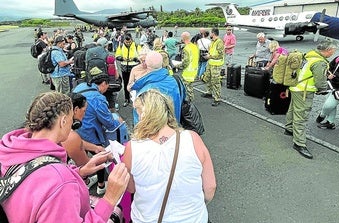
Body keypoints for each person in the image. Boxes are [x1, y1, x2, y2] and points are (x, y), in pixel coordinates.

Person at [0, 91, 130, 222]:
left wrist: (80, 172)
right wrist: (110, 198)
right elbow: (54, 184)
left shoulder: (12, 149)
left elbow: (34, 182)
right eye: (71, 120)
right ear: (63, 121)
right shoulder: (60, 182)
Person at [123, 89, 216, 223]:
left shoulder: (132, 147)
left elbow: (131, 188)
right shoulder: (193, 139)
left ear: (144, 115)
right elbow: (210, 187)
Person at [73, 69, 128, 195]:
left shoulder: (81, 86)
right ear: (103, 83)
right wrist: (119, 121)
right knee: (100, 157)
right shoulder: (98, 98)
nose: (106, 89)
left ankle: (85, 180)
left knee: (81, 156)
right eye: (107, 86)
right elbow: (108, 122)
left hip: (76, 130)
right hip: (91, 133)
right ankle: (101, 185)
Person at [284, 39, 339, 159]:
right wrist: (323, 89)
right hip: (304, 91)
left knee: (293, 109)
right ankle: (299, 143)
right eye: (333, 51)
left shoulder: (309, 55)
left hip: (295, 86)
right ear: (328, 50)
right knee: (301, 116)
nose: (333, 53)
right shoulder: (319, 62)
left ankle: (289, 128)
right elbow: (320, 82)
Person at [130, 51, 183, 124]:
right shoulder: (176, 80)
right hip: (174, 127)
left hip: (155, 133)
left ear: (146, 64)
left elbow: (139, 122)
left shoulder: (144, 92)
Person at [201, 27, 225, 107]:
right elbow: (211, 51)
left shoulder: (219, 42)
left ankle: (217, 98)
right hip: (210, 63)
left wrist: (210, 56)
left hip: (216, 64)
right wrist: (207, 55)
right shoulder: (212, 42)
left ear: (213, 33)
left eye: (211, 33)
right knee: (207, 78)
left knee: (215, 81)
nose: (210, 34)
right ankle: (209, 92)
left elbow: (220, 55)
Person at [115, 33, 140, 107]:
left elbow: (141, 56)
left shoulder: (136, 45)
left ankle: (136, 99)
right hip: (124, 68)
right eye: (126, 42)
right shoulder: (121, 46)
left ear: (132, 40)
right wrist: (122, 58)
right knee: (126, 84)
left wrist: (135, 59)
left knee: (135, 84)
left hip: (134, 68)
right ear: (124, 41)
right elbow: (117, 56)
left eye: (130, 42)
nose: (128, 43)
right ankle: (127, 99)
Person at [179, 31, 199, 101]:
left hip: (188, 72)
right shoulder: (194, 47)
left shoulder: (186, 48)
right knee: (190, 88)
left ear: (183, 38)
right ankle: (191, 102)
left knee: (187, 90)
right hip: (194, 70)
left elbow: (185, 62)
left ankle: (190, 104)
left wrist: (179, 65)